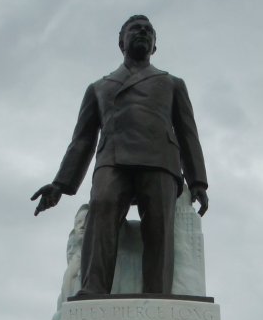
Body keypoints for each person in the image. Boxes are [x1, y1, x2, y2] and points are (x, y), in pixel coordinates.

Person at [31, 15, 209, 296]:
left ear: (154, 47)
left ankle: (157, 295)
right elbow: (82, 141)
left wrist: (198, 181)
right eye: (135, 29)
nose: (142, 33)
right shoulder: (99, 87)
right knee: (101, 209)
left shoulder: (172, 84)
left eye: (148, 31)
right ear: (121, 41)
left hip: (160, 160)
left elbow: (188, 133)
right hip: (113, 159)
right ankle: (93, 290)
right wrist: (60, 185)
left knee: (160, 228)